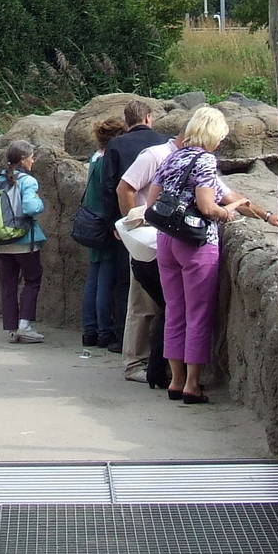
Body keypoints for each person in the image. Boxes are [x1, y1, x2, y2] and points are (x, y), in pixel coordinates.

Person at [151, 105, 278, 405]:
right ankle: (192, 384)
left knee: (175, 311)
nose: (221, 142)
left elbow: (154, 200)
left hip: (166, 239)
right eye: (221, 136)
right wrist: (228, 213)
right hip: (196, 241)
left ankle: (176, 380)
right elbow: (210, 205)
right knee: (198, 314)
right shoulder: (206, 160)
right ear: (213, 135)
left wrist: (264, 214)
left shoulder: (173, 156)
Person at [104, 101, 175, 382]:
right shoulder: (162, 147)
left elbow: (113, 188)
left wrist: (123, 222)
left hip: (137, 232)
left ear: (126, 120)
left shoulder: (117, 146)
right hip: (163, 231)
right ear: (149, 117)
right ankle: (163, 363)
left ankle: (135, 360)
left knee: (138, 298)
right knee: (163, 302)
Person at [0, 139, 48, 344]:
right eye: (31, 157)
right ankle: (25, 326)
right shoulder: (28, 181)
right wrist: (40, 204)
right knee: (32, 280)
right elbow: (31, 208)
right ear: (23, 159)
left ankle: (12, 329)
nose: (33, 160)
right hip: (23, 241)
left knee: (8, 284)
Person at [79, 117, 128, 353]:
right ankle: (104, 331)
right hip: (104, 223)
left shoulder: (94, 157)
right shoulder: (108, 160)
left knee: (94, 277)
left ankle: (90, 329)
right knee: (106, 281)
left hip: (91, 222)